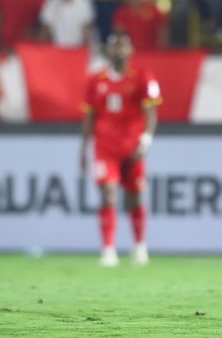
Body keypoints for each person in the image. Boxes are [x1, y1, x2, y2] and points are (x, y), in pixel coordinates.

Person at [79, 31, 162, 267]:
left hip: (132, 148)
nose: (118, 50)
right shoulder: (96, 80)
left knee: (133, 198)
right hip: (105, 148)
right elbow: (89, 116)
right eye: (114, 45)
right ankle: (108, 250)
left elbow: (151, 113)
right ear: (108, 50)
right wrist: (83, 148)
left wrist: (145, 141)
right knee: (108, 194)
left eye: (122, 45)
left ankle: (139, 246)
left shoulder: (142, 77)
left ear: (130, 50)